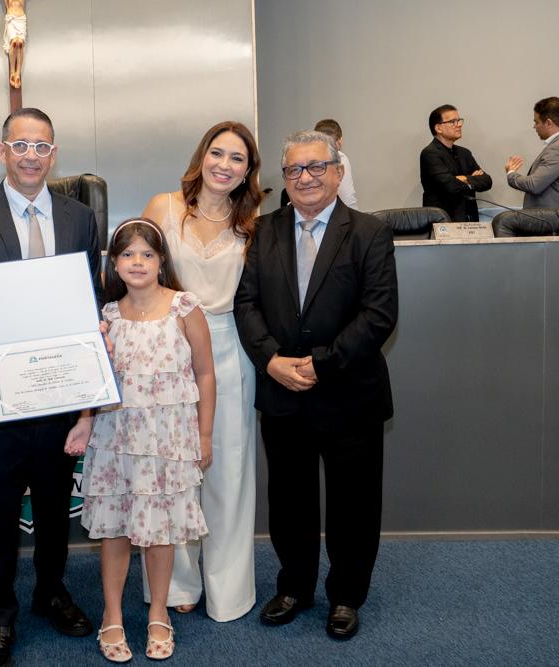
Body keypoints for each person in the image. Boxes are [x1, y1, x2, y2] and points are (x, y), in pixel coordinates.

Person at [0, 107, 102, 667]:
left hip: (57, 393)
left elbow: (88, 297)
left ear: (54, 155)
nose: (31, 156)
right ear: (2, 151)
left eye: (42, 147)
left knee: (55, 507)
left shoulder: (79, 217)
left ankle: (51, 592)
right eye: (21, 145)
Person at [234, 130, 398, 640]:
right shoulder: (262, 229)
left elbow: (379, 315)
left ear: (337, 171)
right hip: (282, 393)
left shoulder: (370, 232)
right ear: (283, 179)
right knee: (290, 503)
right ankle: (295, 588)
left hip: (349, 393)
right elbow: (246, 303)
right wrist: (272, 361)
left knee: (354, 505)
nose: (304, 178)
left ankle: (346, 596)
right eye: (293, 170)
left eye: (315, 167)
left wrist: (319, 364)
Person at [67, 218, 213, 662]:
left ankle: (157, 613)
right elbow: (93, 380)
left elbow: (205, 374)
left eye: (147, 254)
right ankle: (112, 614)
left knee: (161, 529)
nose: (137, 262)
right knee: (115, 528)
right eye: (127, 254)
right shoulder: (107, 316)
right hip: (116, 438)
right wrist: (85, 419)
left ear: (161, 260)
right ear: (114, 263)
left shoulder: (185, 307)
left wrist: (204, 435)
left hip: (168, 441)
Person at [139, 121, 263, 622]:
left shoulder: (256, 225)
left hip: (231, 351)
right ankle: (177, 584)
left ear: (248, 171)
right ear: (201, 156)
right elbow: (130, 269)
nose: (224, 165)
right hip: (166, 351)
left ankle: (229, 589)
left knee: (228, 472)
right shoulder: (163, 207)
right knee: (172, 472)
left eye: (237, 158)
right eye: (217, 153)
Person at [420, 104, 492, 222]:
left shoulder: (464, 153)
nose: (459, 125)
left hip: (470, 220)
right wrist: (472, 180)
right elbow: (450, 185)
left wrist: (462, 179)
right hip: (444, 221)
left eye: (459, 120)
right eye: (453, 122)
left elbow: (487, 181)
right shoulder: (430, 153)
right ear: (438, 128)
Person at [505, 97, 559, 210]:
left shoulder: (556, 149)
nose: (534, 126)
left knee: (503, 221)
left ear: (549, 123)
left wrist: (511, 173)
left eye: (536, 122)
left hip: (549, 223)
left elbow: (534, 185)